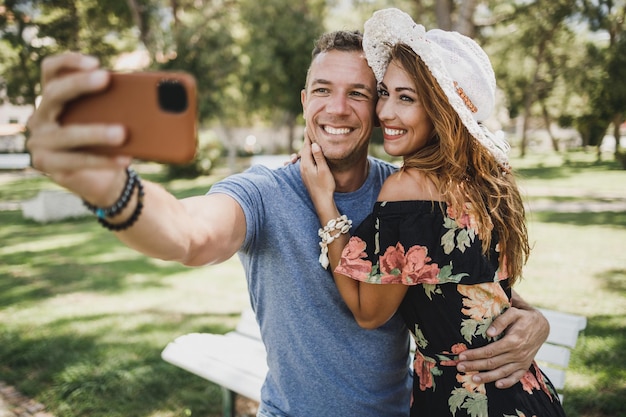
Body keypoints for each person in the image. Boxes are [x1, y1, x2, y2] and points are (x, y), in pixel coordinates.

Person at [25, 26, 550, 416]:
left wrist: (534, 320)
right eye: (323, 90)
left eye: (361, 94)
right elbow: (188, 234)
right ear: (304, 102)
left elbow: (466, 281)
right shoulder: (264, 190)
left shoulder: (405, 188)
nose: (338, 109)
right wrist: (115, 191)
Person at [301, 8, 565, 417]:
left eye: (406, 98)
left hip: (467, 402)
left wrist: (324, 203)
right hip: (525, 393)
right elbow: (476, 284)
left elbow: (367, 311)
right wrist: (536, 320)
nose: (385, 112)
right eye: (385, 93)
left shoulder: (408, 189)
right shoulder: (489, 181)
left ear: (442, 110)